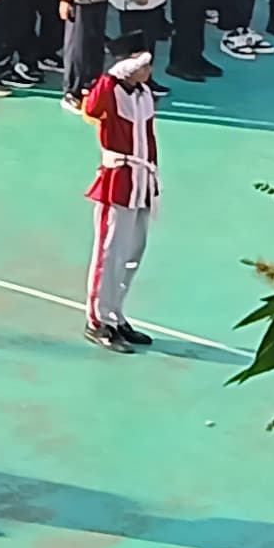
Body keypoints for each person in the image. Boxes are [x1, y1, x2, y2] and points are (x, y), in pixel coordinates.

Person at [80, 51, 161, 351]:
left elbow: (148, 138)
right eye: (142, 65)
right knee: (108, 254)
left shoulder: (144, 94)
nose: (148, 71)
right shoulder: (109, 92)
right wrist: (110, 76)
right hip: (117, 182)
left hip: (141, 183)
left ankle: (115, 314)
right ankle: (97, 321)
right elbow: (91, 109)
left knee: (132, 253)